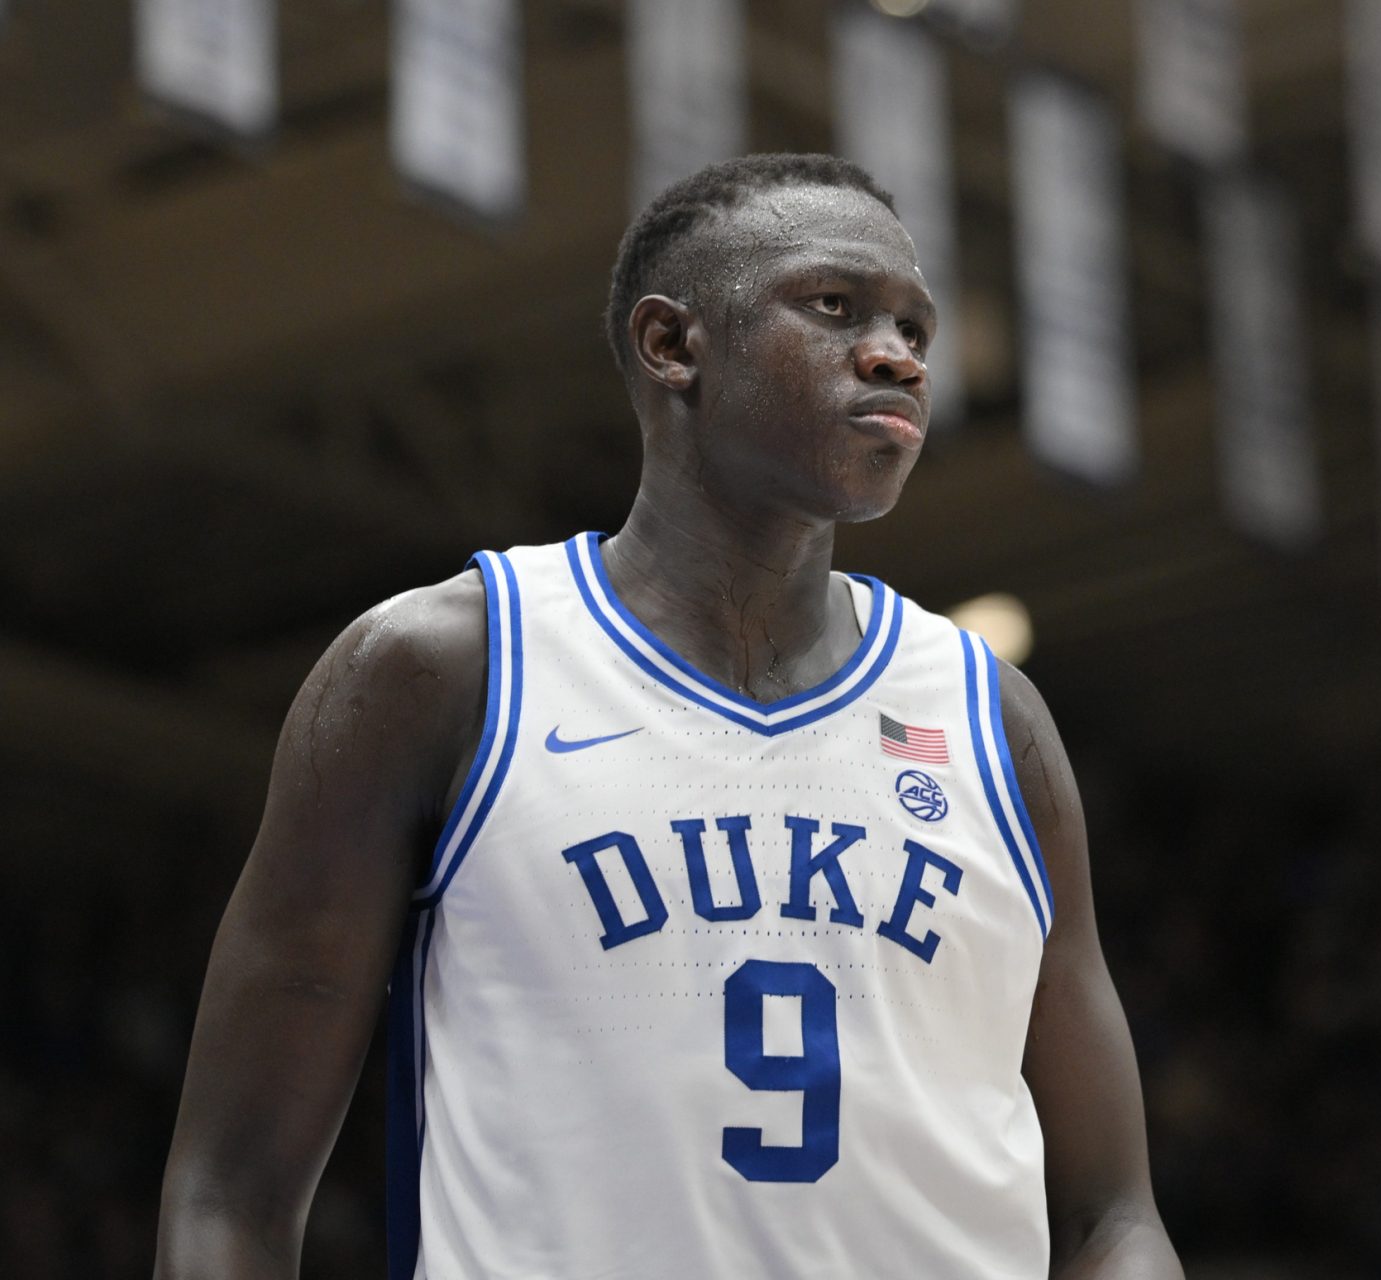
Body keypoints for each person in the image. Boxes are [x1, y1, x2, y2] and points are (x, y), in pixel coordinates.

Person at [156, 153, 1180, 1279]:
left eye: (914, 328)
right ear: (673, 344)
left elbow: (1112, 1214)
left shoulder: (996, 719)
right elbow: (231, 1189)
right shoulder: (445, 668)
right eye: (835, 307)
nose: (895, 354)